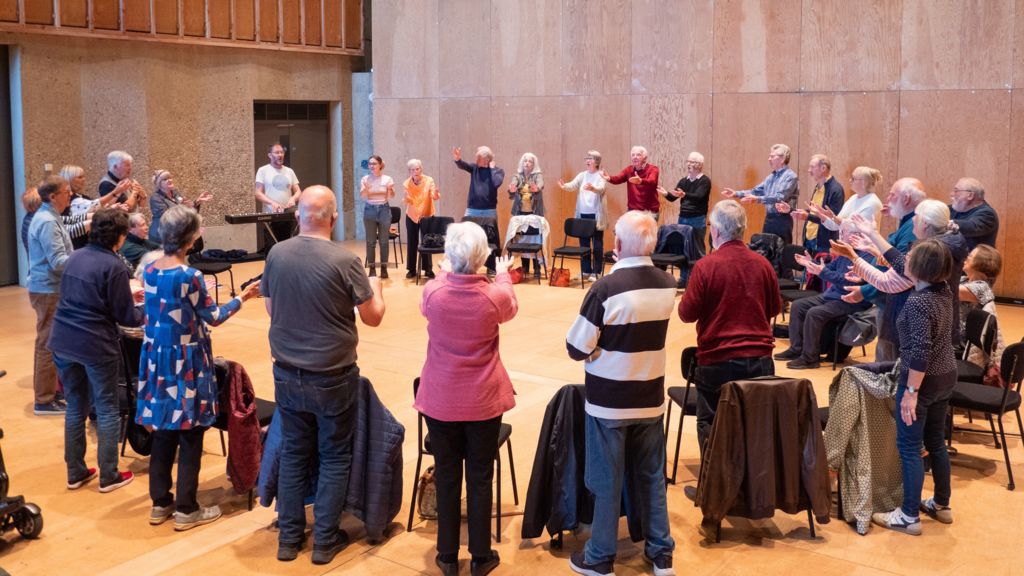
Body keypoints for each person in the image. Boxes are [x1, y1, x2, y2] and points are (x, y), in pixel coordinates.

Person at [261, 185, 385, 565]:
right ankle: (325, 541)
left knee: (296, 451)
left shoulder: (276, 254)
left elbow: (270, 308)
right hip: (332, 375)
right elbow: (373, 317)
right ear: (333, 219)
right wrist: (377, 289)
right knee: (333, 455)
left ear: (299, 216)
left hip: (286, 372)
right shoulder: (345, 260)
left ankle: (290, 538)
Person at [565, 210, 676, 576]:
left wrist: (599, 347)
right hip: (650, 396)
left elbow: (577, 347)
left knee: (605, 479)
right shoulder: (666, 283)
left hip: (609, 402)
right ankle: (661, 553)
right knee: (651, 476)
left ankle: (600, 556)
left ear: (616, 245)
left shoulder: (604, 288)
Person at [137, 205, 261, 530]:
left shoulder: (149, 270)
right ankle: (186, 508)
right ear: (190, 238)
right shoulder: (190, 276)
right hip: (186, 362)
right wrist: (243, 298)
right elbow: (214, 317)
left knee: (165, 431)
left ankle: (160, 503)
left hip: (157, 360)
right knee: (191, 434)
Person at [416, 223, 517, 576]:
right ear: (484, 258)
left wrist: (447, 273)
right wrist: (503, 275)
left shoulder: (433, 292)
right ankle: (480, 555)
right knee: (479, 475)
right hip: (482, 401)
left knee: (446, 474)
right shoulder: (493, 296)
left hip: (441, 399)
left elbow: (428, 301)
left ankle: (446, 556)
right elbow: (511, 307)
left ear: (448, 255)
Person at [48, 209, 144, 492]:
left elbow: (84, 296)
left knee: (76, 406)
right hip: (94, 344)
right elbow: (125, 316)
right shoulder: (113, 265)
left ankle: (75, 472)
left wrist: (125, 297)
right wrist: (143, 312)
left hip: (63, 341)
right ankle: (109, 475)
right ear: (120, 236)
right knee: (107, 408)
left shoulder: (75, 257)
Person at [678, 200, 781, 455]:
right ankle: (752, 488)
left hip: (718, 360)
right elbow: (775, 309)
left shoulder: (706, 266)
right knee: (755, 426)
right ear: (743, 229)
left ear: (714, 231)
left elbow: (686, 314)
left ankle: (714, 490)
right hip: (760, 360)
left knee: (711, 423)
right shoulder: (763, 265)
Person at [870, 238, 957, 536]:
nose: (904, 259)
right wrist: (871, 235)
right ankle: (941, 505)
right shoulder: (943, 289)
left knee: (909, 448)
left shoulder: (919, 302)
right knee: (936, 443)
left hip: (922, 381)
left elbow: (919, 353)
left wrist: (910, 392)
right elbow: (900, 262)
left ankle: (908, 515)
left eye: (911, 257)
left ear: (919, 269)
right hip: (946, 376)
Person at [839, 198, 967, 349]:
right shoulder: (946, 239)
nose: (913, 219)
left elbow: (890, 281)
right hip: (933, 318)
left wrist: (854, 258)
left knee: (905, 366)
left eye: (916, 216)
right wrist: (874, 247)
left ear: (925, 224)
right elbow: (904, 266)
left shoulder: (932, 249)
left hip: (925, 323)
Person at [840, 177, 924, 361]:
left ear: (907, 198)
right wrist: (863, 273)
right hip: (891, 300)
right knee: (885, 353)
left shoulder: (913, 228)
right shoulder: (907, 221)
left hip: (898, 302)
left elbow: (899, 272)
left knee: (889, 358)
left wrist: (864, 289)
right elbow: (889, 260)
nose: (888, 199)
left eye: (892, 195)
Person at [774, 221, 872, 370]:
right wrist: (811, 263)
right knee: (798, 306)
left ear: (855, 236)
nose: (840, 235)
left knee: (814, 313)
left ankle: (810, 358)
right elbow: (828, 268)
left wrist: (821, 272)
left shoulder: (864, 256)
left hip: (851, 300)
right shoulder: (846, 252)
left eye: (843, 232)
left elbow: (845, 280)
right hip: (834, 296)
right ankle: (797, 349)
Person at [26, 176, 74, 415]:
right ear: (52, 196)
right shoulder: (46, 221)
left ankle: (52, 392)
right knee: (46, 344)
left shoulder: (50, 217)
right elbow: (58, 261)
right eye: (66, 191)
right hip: (47, 290)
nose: (71, 195)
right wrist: (83, 260)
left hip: (51, 289)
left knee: (51, 343)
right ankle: (44, 400)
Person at [721, 143, 799, 244]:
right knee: (766, 251)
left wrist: (758, 199)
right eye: (769, 156)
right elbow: (756, 191)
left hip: (782, 220)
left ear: (782, 159)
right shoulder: (771, 177)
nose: (769, 159)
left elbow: (780, 197)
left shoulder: (791, 176)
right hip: (769, 218)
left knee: (781, 251)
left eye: (772, 156)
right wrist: (736, 193)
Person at [559, 150, 608, 280]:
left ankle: (596, 272)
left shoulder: (601, 175)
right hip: (583, 215)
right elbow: (572, 185)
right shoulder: (582, 175)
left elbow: (602, 188)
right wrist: (564, 186)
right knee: (584, 244)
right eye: (587, 158)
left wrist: (593, 188)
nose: (588, 160)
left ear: (596, 161)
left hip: (596, 216)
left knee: (597, 244)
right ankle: (586, 270)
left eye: (591, 158)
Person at [786, 154, 844, 255]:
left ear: (823, 168)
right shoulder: (818, 187)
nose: (809, 170)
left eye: (812, 167)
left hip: (824, 244)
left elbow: (833, 220)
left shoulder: (836, 190)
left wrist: (807, 216)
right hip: (810, 239)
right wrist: (790, 210)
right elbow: (813, 212)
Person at [958, 245, 1005, 370]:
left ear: (980, 264)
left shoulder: (982, 287)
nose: (966, 258)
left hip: (962, 345)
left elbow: (949, 291)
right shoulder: (965, 280)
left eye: (970, 256)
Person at [657, 151, 712, 256]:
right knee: (683, 249)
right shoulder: (683, 181)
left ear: (699, 165)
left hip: (697, 218)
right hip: (682, 218)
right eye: (688, 161)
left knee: (697, 248)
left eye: (692, 162)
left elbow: (698, 196)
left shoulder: (705, 181)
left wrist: (684, 194)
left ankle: (699, 271)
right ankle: (684, 273)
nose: (688, 164)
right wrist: (665, 193)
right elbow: (673, 197)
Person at [254, 143, 301, 250]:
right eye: (277, 152)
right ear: (270, 155)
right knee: (272, 248)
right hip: (271, 214)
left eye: (282, 152)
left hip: (287, 214)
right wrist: (272, 203)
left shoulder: (289, 171)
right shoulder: (263, 170)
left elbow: (298, 191)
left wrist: (293, 198)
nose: (280, 155)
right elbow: (257, 193)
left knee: (287, 247)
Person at [149, 169, 213, 245]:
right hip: (161, 237)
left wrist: (197, 202)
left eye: (170, 177)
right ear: (158, 183)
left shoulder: (175, 192)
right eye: (165, 179)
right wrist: (181, 207)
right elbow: (167, 217)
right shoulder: (156, 198)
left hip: (176, 233)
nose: (169, 180)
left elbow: (186, 212)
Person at [508, 152, 546, 276]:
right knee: (523, 240)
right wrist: (511, 189)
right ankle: (525, 268)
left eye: (530, 161)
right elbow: (512, 186)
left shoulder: (537, 175)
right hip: (520, 213)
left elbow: (540, 184)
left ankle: (536, 269)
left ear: (534, 164)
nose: (527, 163)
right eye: (525, 161)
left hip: (534, 212)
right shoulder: (517, 175)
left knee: (534, 240)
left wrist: (537, 188)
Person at [403, 159, 441, 280]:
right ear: (409, 171)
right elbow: (406, 200)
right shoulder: (407, 183)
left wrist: (435, 194)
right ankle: (411, 270)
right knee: (412, 242)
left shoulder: (429, 180)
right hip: (412, 215)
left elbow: (434, 196)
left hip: (426, 214)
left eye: (417, 169)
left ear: (421, 169)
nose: (415, 171)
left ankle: (428, 269)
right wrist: (406, 198)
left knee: (427, 241)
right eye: (413, 170)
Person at [817, 165, 884, 233]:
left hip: (863, 243)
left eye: (853, 178)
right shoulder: (853, 198)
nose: (850, 180)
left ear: (864, 182)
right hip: (846, 243)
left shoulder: (873, 203)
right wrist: (823, 217)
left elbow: (858, 228)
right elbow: (836, 225)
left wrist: (835, 218)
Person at [360, 155, 396, 279]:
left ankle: (384, 268)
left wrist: (390, 189)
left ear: (380, 165)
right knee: (370, 242)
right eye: (370, 164)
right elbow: (363, 196)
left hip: (384, 210)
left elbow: (391, 196)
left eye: (374, 163)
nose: (372, 166)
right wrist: (365, 187)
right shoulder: (365, 178)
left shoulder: (387, 179)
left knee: (384, 241)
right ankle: (372, 268)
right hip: (369, 210)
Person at [601, 145, 660, 215]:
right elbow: (618, 179)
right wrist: (609, 178)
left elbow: (652, 181)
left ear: (645, 158)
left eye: (638, 155)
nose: (635, 157)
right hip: (632, 211)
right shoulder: (629, 170)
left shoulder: (653, 169)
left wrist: (641, 181)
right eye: (633, 155)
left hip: (650, 212)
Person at [949, 177, 999, 251]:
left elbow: (970, 226)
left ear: (970, 195)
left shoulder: (988, 215)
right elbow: (938, 210)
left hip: (977, 261)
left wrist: (942, 221)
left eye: (956, 191)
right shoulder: (957, 208)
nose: (952, 194)